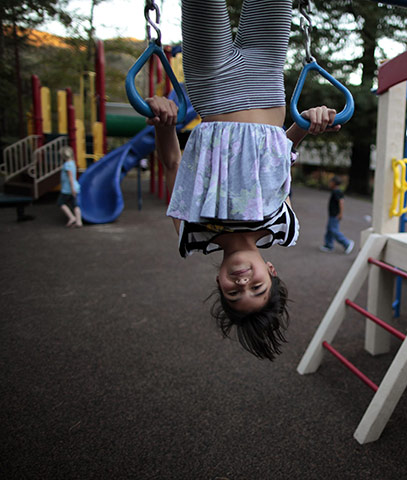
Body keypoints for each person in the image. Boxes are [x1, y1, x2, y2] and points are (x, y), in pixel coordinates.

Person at [147, 0, 340, 360]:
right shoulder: (281, 223)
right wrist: (311, 121)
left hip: (213, 80)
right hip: (266, 76)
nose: (242, 282)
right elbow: (279, 155)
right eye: (257, 286)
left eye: (234, 292)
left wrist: (165, 124)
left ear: (219, 283)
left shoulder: (193, 232)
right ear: (270, 270)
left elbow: (173, 163)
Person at [320, 175, 354, 254]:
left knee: (333, 230)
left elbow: (341, 202)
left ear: (334, 183)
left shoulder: (337, 192)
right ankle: (328, 245)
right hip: (332, 214)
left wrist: (340, 213)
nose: (329, 183)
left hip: (335, 215)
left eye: (330, 182)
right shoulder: (335, 191)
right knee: (329, 229)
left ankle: (347, 243)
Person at [57, 146, 82, 228]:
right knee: (75, 205)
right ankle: (79, 221)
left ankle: (72, 218)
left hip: (68, 189)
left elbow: (70, 177)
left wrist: (72, 189)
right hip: (74, 187)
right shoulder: (72, 163)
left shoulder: (67, 165)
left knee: (60, 203)